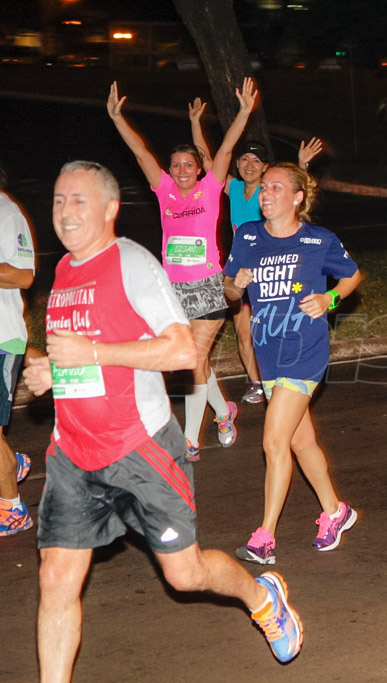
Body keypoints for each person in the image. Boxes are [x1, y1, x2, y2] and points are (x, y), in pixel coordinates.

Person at [23, 161, 303, 677]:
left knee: (185, 574)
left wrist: (94, 353)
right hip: (73, 454)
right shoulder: (62, 273)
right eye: (59, 200)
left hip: (139, 448)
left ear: (110, 209)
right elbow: (81, 360)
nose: (65, 211)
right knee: (56, 578)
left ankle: (261, 596)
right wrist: (48, 374)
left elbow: (180, 352)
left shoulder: (132, 263)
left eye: (78, 200)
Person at [107, 80, 256, 460]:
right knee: (198, 362)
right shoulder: (164, 191)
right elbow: (140, 152)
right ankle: (224, 413)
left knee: (194, 360)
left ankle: (190, 439)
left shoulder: (210, 189)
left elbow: (224, 148)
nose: (182, 169)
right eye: (176, 165)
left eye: (189, 164)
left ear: (199, 168)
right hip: (171, 289)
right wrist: (118, 118)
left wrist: (242, 113)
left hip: (208, 285)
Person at [225, 163, 362, 565]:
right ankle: (335, 511)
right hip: (269, 352)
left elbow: (351, 277)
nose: (265, 194)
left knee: (273, 441)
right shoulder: (248, 236)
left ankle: (264, 537)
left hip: (305, 351)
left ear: (297, 197)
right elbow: (230, 290)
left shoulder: (318, 240)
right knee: (300, 441)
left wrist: (329, 300)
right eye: (263, 188)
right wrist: (237, 285)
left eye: (275, 188)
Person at [190, 103, 324, 404]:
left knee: (271, 328)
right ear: (238, 163)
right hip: (243, 271)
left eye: (257, 160)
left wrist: (301, 166)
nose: (250, 164)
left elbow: (295, 195)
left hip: (272, 272)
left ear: (266, 167)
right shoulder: (233, 188)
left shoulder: (271, 195)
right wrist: (195, 122)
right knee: (242, 332)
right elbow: (208, 160)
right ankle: (258, 383)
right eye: (245, 159)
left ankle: (284, 379)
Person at [0, 162, 35, 537]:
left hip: (2, 336)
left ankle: (13, 510)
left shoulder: (6, 213)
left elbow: (24, 275)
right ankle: (11, 462)